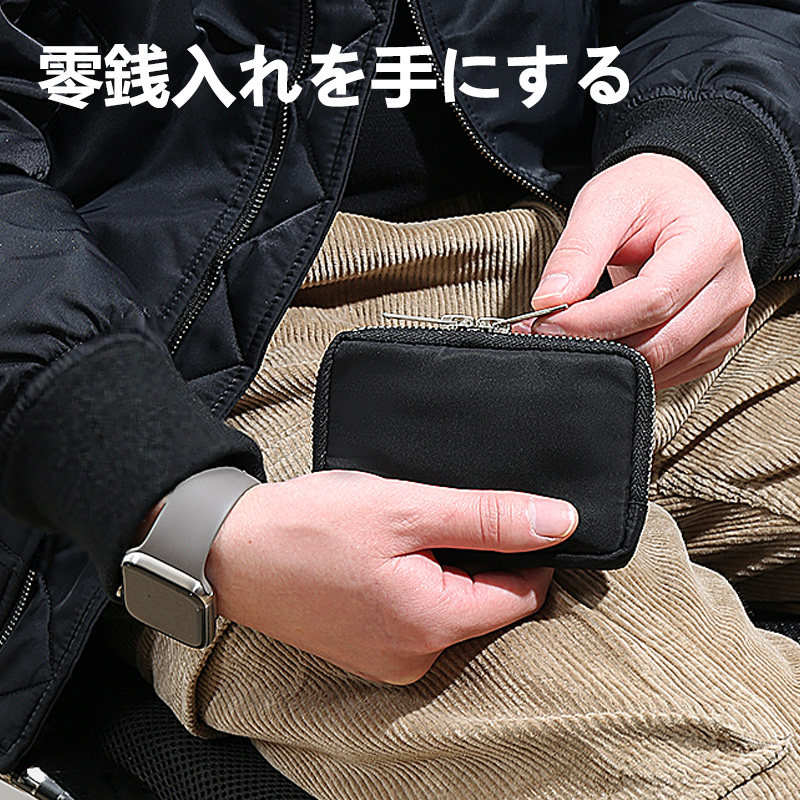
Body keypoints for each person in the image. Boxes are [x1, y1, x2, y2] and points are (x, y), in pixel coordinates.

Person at [0, 0, 798, 794]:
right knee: (720, 764)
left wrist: (714, 149)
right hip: (177, 332)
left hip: (622, 246)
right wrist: (168, 503)